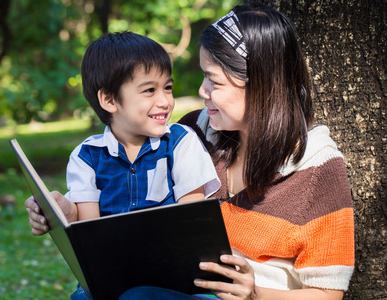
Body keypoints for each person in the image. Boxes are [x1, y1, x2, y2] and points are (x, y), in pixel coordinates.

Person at [26, 4, 355, 300]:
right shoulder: (193, 133)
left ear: (261, 85)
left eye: (215, 81)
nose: (201, 91)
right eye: (203, 76)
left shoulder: (317, 168)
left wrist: (255, 293)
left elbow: (326, 295)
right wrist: (66, 214)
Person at [26, 31, 220, 299]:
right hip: (115, 280)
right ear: (109, 100)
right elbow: (91, 235)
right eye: (149, 90)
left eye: (168, 87)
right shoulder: (87, 157)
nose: (164, 101)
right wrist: (64, 211)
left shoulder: (179, 142)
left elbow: (192, 226)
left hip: (179, 280)